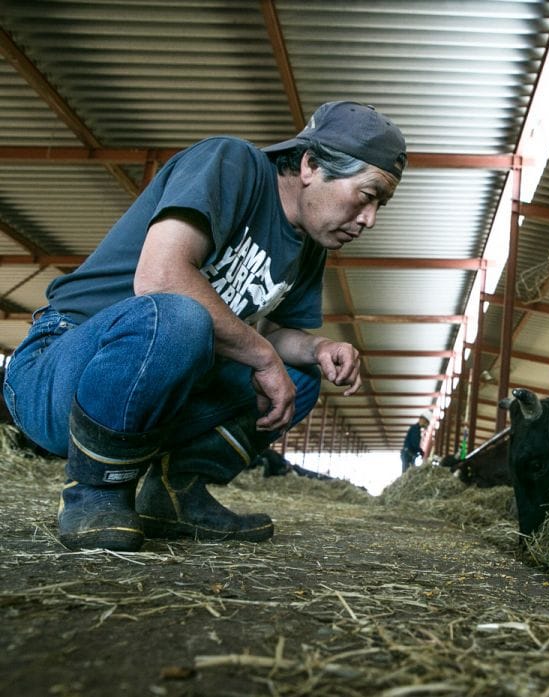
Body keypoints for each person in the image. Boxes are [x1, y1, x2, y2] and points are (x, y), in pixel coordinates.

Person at [2, 101, 406, 552]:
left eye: (380, 206)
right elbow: (159, 279)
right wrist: (262, 354)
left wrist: (318, 348)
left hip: (162, 384)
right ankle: (96, 491)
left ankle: (174, 494)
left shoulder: (309, 246)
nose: (369, 219)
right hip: (57, 373)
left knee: (299, 376)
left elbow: (262, 332)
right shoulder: (233, 164)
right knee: (178, 316)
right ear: (311, 165)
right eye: (367, 196)